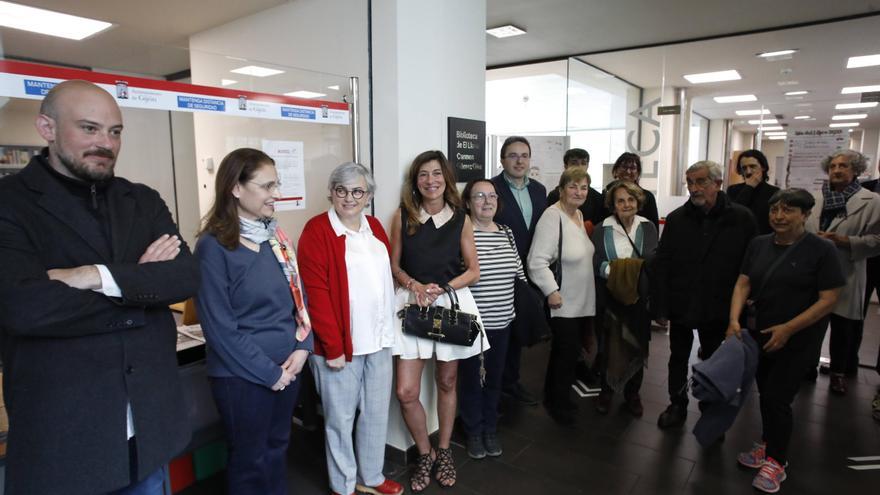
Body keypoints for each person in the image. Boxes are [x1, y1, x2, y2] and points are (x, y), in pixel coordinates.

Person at [0, 80, 200, 495]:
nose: (105, 143)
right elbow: (25, 307)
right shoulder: (10, 203)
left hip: (148, 425)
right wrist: (140, 285)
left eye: (115, 131)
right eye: (89, 128)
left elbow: (184, 277)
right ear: (46, 127)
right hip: (67, 434)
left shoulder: (141, 200)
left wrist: (93, 275)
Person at [195, 148, 313, 495]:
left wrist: (303, 348)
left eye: (276, 185)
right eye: (266, 186)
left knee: (277, 450)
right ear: (235, 188)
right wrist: (272, 373)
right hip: (243, 379)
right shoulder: (213, 248)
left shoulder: (276, 238)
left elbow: (299, 301)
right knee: (250, 460)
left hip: (288, 369)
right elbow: (220, 330)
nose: (275, 194)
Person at [728, 189, 844, 493]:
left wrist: (789, 328)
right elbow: (743, 283)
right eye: (775, 210)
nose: (779, 217)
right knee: (766, 392)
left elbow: (829, 298)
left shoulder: (821, 250)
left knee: (777, 398)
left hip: (799, 338)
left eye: (788, 210)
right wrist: (733, 320)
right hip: (760, 333)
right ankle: (768, 445)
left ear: (805, 215)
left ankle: (777, 462)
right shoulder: (759, 244)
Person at [297, 162, 403, 495]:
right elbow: (317, 295)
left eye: (357, 191)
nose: (349, 198)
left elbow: (385, 279)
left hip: (379, 340)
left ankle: (370, 476)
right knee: (339, 420)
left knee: (374, 413)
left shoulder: (374, 227)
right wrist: (333, 347)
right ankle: (343, 485)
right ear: (331, 192)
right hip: (340, 346)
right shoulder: (317, 231)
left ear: (368, 196)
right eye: (341, 190)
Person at [390, 150, 486, 492]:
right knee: (406, 391)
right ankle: (425, 452)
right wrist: (415, 286)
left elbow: (473, 270)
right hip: (412, 304)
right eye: (422, 175)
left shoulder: (461, 218)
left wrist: (442, 288)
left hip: (450, 304)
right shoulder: (403, 216)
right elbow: (395, 265)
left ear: (446, 178)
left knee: (447, 382)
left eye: (436, 174)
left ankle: (443, 450)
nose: (430, 181)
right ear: (415, 182)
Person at [653, 160, 757, 429]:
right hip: (682, 302)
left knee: (714, 359)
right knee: (678, 357)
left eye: (701, 182)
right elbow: (663, 263)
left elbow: (750, 266)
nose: (694, 188)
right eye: (690, 182)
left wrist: (743, 307)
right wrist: (661, 307)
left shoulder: (741, 218)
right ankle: (677, 404)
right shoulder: (677, 219)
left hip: (720, 305)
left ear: (718, 184)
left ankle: (710, 408)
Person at [459, 179, 526, 459]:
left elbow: (519, 274)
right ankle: (473, 431)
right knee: (472, 380)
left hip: (503, 323)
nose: (487, 202)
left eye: (492, 196)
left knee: (495, 379)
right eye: (479, 196)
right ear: (467, 202)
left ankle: (489, 428)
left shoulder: (507, 232)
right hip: (472, 325)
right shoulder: (463, 234)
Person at [804, 150, 880, 395]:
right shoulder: (815, 198)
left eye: (844, 166)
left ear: (856, 170)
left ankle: (838, 373)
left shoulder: (872, 201)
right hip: (814, 272)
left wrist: (844, 240)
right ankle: (807, 367)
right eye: (833, 166)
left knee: (842, 328)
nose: (837, 170)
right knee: (812, 324)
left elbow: (877, 240)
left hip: (846, 270)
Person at [528, 167, 596, 425]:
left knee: (567, 353)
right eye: (573, 186)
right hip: (562, 301)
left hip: (581, 301)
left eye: (584, 188)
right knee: (565, 353)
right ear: (561, 188)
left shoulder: (578, 215)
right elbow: (536, 261)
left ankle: (556, 397)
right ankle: (557, 403)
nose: (578, 192)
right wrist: (551, 291)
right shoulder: (552, 216)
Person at [592, 180, 659, 417]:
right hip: (610, 297)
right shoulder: (602, 228)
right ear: (613, 205)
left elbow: (652, 259)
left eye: (631, 199)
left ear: (638, 202)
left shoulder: (648, 227)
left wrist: (623, 271)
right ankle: (607, 391)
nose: (627, 204)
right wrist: (616, 274)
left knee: (637, 345)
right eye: (620, 200)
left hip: (639, 299)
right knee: (610, 346)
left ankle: (632, 393)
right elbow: (597, 260)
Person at [492, 136, 548, 406]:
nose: (519, 160)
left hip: (531, 270)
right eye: (512, 155)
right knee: (502, 330)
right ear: (502, 159)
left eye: (524, 155)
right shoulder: (491, 188)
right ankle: (498, 383)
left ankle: (511, 382)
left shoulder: (539, 190)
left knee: (520, 329)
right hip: (500, 271)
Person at [600, 152, 660, 228]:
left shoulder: (647, 197)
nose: (628, 171)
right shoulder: (606, 194)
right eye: (624, 167)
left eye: (632, 168)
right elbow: (600, 223)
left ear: (638, 172)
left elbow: (653, 229)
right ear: (616, 170)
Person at [728, 149, 780, 235]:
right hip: (739, 237)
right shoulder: (733, 190)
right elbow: (734, 215)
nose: (748, 172)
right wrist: (749, 188)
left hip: (763, 239)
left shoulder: (774, 192)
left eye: (753, 166)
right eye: (744, 168)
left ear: (763, 167)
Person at [547, 148, 605, 225]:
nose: (579, 167)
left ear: (587, 166)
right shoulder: (554, 195)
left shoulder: (597, 198)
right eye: (574, 163)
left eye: (583, 163)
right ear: (565, 166)